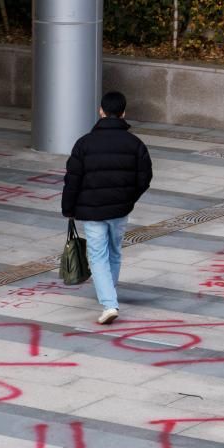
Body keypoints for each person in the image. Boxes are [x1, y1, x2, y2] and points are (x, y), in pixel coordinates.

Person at [62, 90, 153, 325]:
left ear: (101, 111)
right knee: (114, 251)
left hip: (91, 211)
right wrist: (128, 199)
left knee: (98, 256)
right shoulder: (135, 144)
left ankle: (109, 303)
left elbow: (72, 179)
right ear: (124, 113)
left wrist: (68, 208)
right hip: (120, 211)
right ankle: (108, 294)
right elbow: (145, 178)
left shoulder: (84, 143)